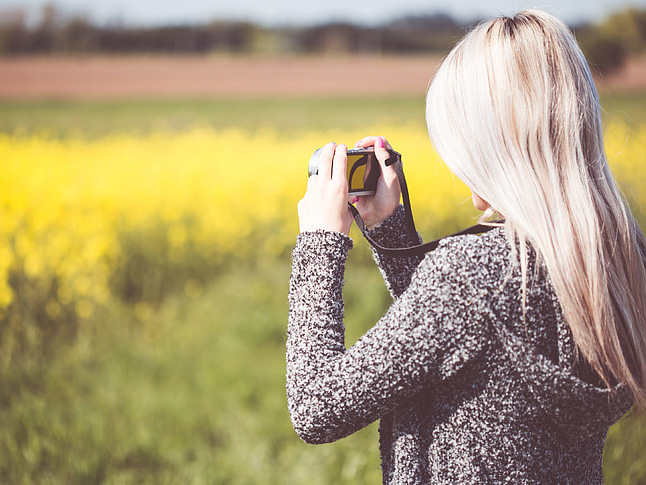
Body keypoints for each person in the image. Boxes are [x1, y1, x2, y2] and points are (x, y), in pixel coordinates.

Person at [286, 9, 646, 484]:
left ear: (489, 147)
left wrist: (320, 242)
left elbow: (316, 405)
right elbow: (457, 340)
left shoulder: (475, 274)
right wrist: (390, 229)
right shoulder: (617, 251)